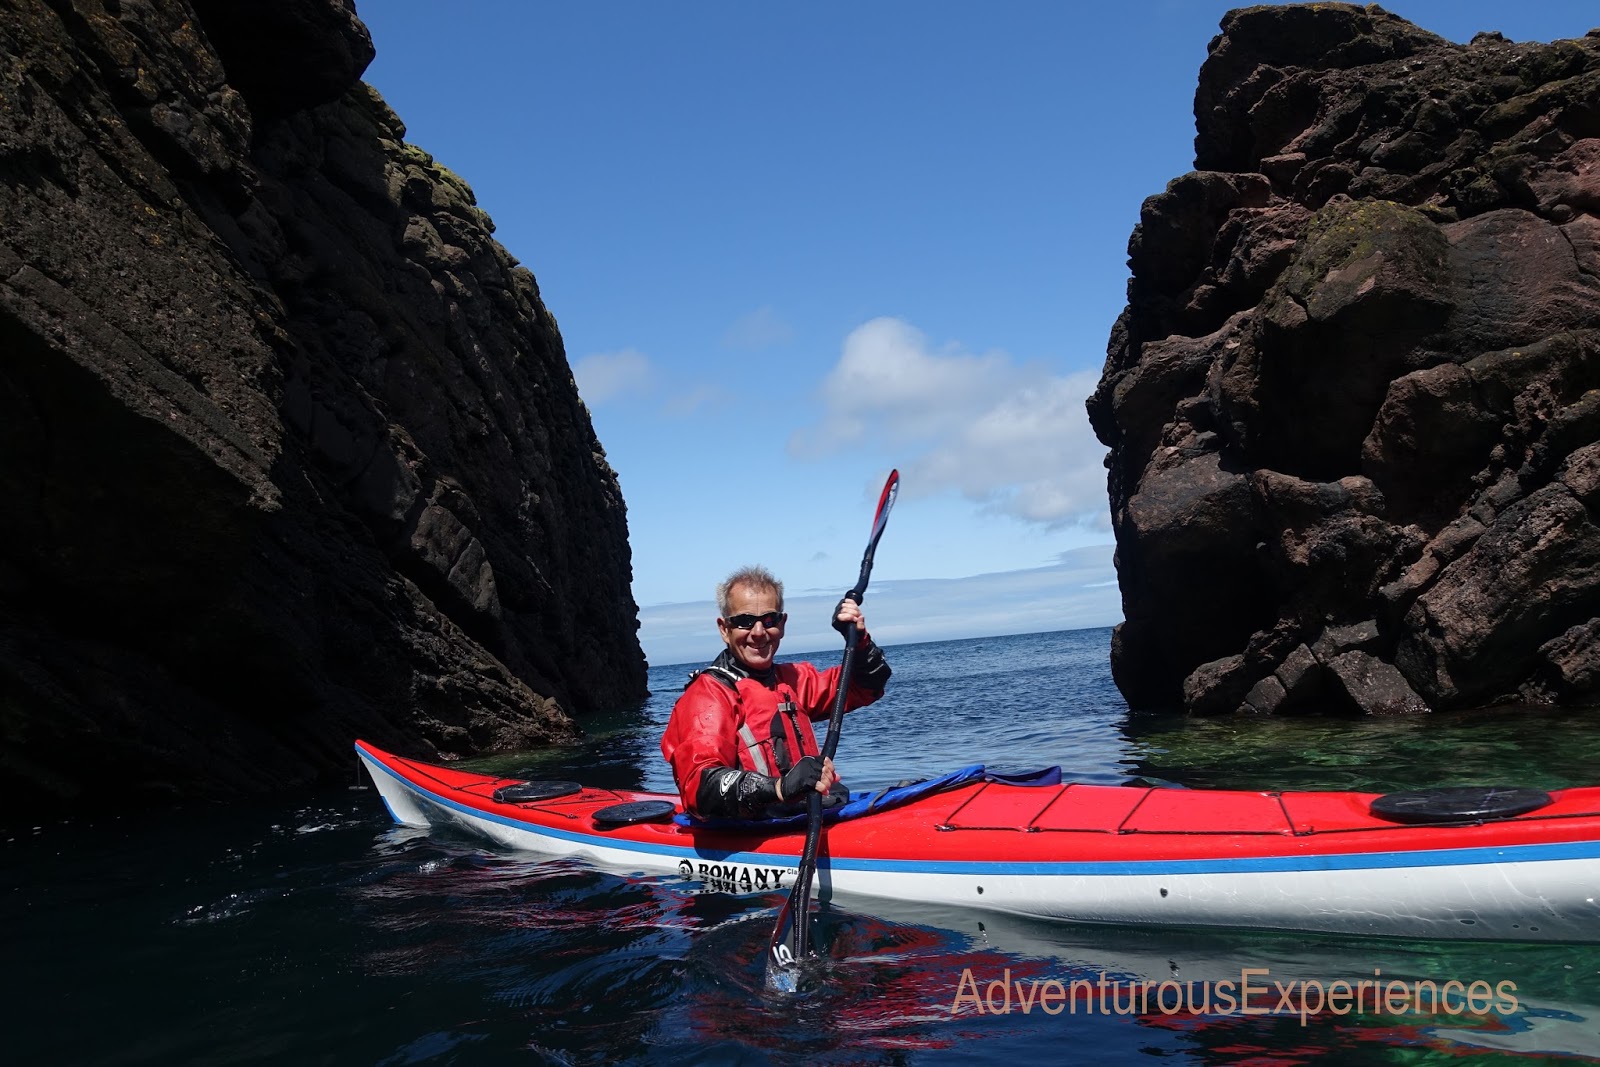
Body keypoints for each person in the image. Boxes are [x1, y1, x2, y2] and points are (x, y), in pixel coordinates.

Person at [661, 565, 892, 820]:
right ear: (724, 629)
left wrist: (858, 639)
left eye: (769, 620)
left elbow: (867, 685)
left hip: (810, 815)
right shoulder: (708, 696)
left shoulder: (793, 680)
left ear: (782, 624)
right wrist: (780, 788)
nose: (759, 632)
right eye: (744, 621)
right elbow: (699, 787)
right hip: (753, 830)